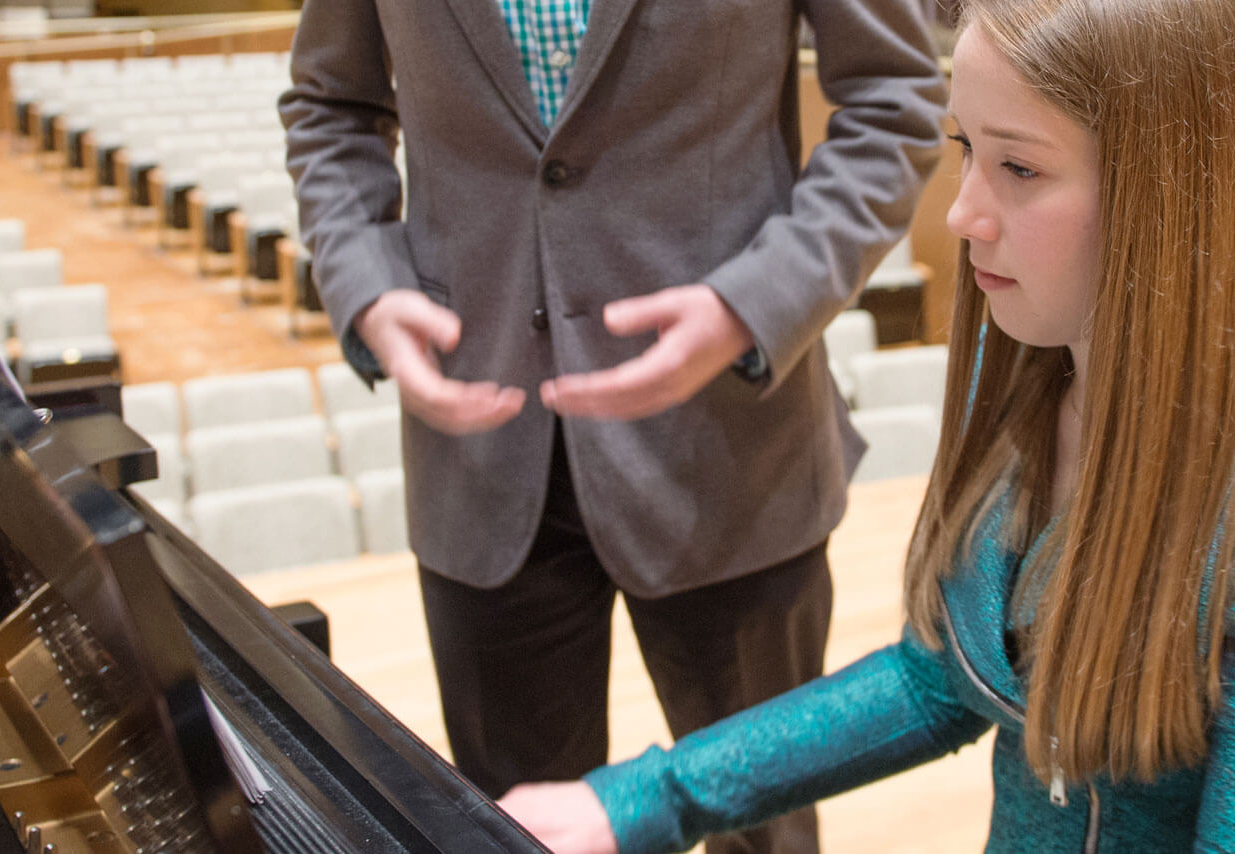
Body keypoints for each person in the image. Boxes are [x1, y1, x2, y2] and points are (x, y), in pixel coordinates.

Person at [494, 0, 1235, 850]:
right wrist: (641, 801)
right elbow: (938, 678)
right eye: (964, 151)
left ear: (1172, 193)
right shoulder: (1029, 350)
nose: (961, 215)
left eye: (1019, 167)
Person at [280, 0, 949, 851]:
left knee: (764, 825)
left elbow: (895, 96)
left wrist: (756, 303)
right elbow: (331, 104)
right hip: (482, 454)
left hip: (730, 445)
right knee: (512, 829)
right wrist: (366, 282)